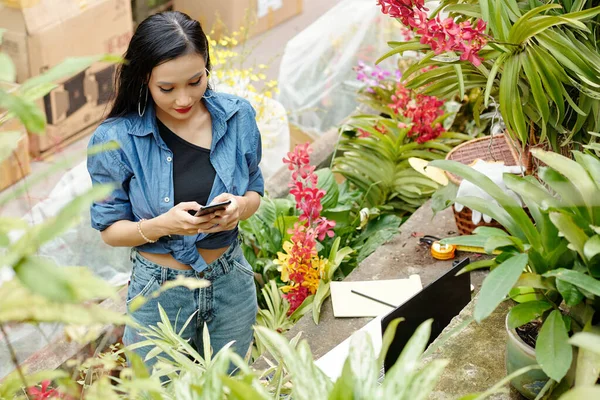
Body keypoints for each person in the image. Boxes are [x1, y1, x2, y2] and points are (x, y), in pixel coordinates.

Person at [86, 11, 262, 371]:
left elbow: (256, 189)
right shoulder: (116, 139)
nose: (183, 99)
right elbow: (109, 230)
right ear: (144, 80)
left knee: (228, 389)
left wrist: (239, 207)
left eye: (195, 81)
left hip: (230, 281)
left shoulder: (237, 116)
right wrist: (162, 224)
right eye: (166, 88)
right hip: (158, 293)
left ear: (207, 69)